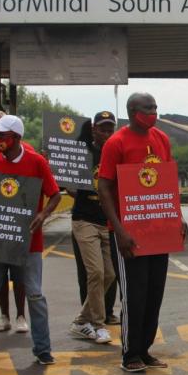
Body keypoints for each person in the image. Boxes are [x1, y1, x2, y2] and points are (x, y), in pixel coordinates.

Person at [98, 92, 188, 372]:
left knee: (154, 293)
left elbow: (167, 182)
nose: (154, 111)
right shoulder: (116, 142)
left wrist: (178, 217)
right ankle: (130, 353)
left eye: (155, 107)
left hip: (158, 229)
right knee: (134, 295)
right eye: (148, 108)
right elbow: (104, 187)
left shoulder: (160, 139)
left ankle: (145, 348)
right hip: (130, 232)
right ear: (133, 110)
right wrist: (119, 229)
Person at [0, 115, 60, 366]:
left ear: (15, 138)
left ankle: (42, 348)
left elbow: (54, 195)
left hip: (28, 243)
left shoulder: (37, 162)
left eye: (1, 136)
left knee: (34, 294)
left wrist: (42, 215)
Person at [68, 112, 117, 344]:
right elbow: (69, 186)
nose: (107, 133)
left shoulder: (116, 155)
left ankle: (80, 321)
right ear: (93, 130)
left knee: (109, 274)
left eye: (110, 129)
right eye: (102, 129)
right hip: (84, 219)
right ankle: (98, 324)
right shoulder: (82, 154)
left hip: (107, 220)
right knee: (95, 272)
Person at [0, 110, 28, 334]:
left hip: (19, 228)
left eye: (0, 134)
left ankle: (21, 315)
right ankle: (4, 315)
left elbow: (46, 191)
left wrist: (37, 216)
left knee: (19, 276)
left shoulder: (31, 156)